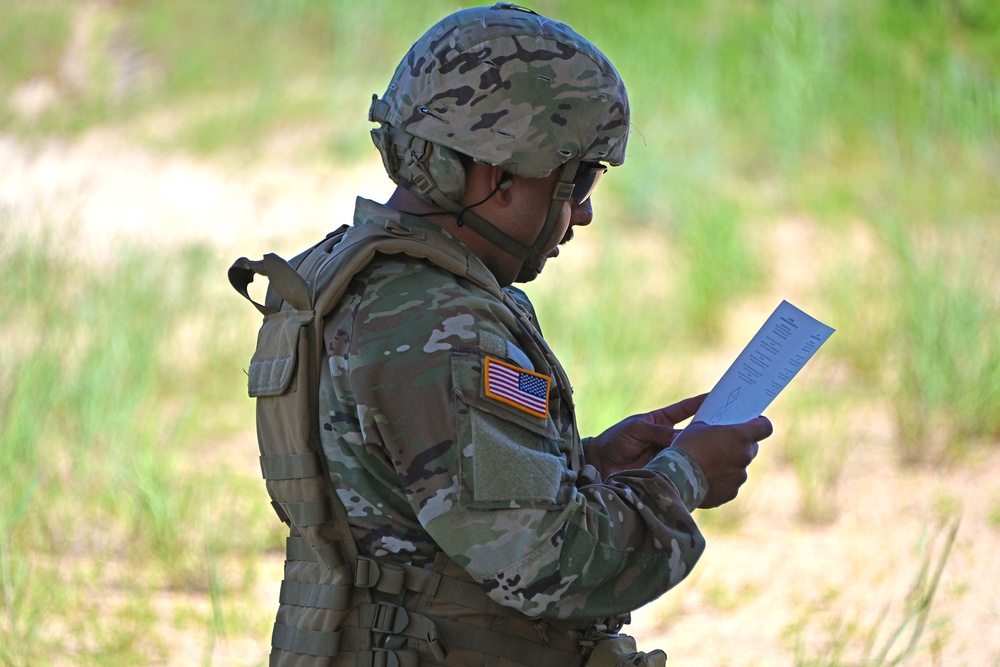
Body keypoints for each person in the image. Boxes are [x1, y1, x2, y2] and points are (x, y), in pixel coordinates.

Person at [258, 4, 772, 665]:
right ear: (493, 174)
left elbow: (408, 503)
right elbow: (553, 565)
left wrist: (589, 466)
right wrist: (684, 477)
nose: (581, 212)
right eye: (575, 180)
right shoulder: (442, 325)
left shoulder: (348, 279)